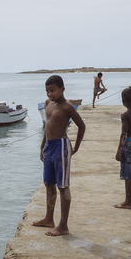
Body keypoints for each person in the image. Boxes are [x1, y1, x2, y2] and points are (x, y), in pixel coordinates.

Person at [32, 75, 86, 236]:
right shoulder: (48, 104)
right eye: (47, 91)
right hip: (49, 146)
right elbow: (47, 127)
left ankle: (63, 225)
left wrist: (76, 146)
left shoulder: (67, 107)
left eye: (53, 90)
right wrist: (42, 147)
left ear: (62, 89)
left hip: (61, 146)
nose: (50, 94)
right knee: (49, 183)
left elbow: (82, 126)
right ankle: (49, 218)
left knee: (63, 186)